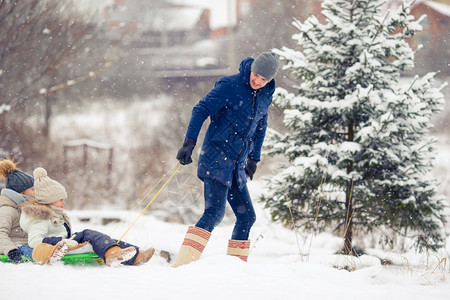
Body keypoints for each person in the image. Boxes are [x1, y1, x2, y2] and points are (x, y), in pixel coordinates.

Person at [174, 52, 280, 266]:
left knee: (247, 217)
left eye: (264, 79)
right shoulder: (230, 86)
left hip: (237, 164)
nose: (258, 81)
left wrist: (254, 158)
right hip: (216, 157)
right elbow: (200, 109)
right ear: (252, 69)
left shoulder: (265, 94)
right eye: (256, 74)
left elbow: (261, 126)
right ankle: (183, 264)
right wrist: (189, 142)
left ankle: (236, 268)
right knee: (214, 213)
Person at [20, 167, 155, 266]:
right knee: (89, 234)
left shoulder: (53, 212)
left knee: (104, 240)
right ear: (48, 200)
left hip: (67, 242)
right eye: (60, 199)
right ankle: (113, 255)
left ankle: (136, 255)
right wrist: (61, 242)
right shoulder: (40, 217)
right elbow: (34, 241)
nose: (63, 202)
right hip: (61, 246)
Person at [0, 158, 35, 263]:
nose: (35, 192)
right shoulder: (8, 209)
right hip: (16, 249)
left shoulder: (25, 208)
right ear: (22, 192)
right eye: (32, 189)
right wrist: (11, 250)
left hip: (29, 246)